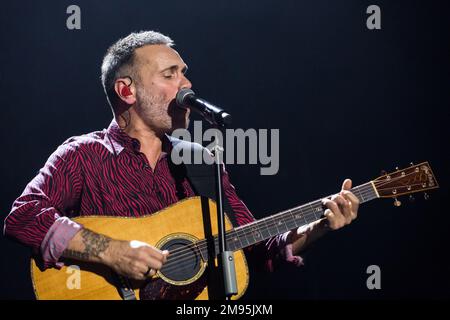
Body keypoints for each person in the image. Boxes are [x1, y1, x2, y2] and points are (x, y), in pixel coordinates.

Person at [3, 31, 359, 299]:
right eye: (170, 74)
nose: (187, 83)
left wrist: (317, 226)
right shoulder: (82, 155)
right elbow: (23, 217)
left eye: (184, 73)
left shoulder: (201, 161)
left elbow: (257, 249)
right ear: (127, 91)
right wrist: (114, 252)